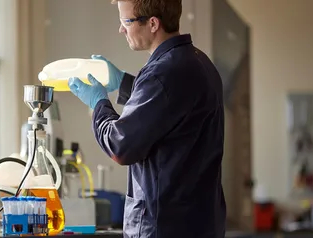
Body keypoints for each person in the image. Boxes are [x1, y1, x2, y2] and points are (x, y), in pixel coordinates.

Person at [68, 0, 226, 237]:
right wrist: (122, 82)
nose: (121, 29)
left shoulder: (162, 74)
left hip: (164, 225)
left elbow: (121, 145)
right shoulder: (198, 62)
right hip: (199, 223)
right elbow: (168, 110)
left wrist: (98, 102)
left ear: (152, 23)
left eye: (126, 21)